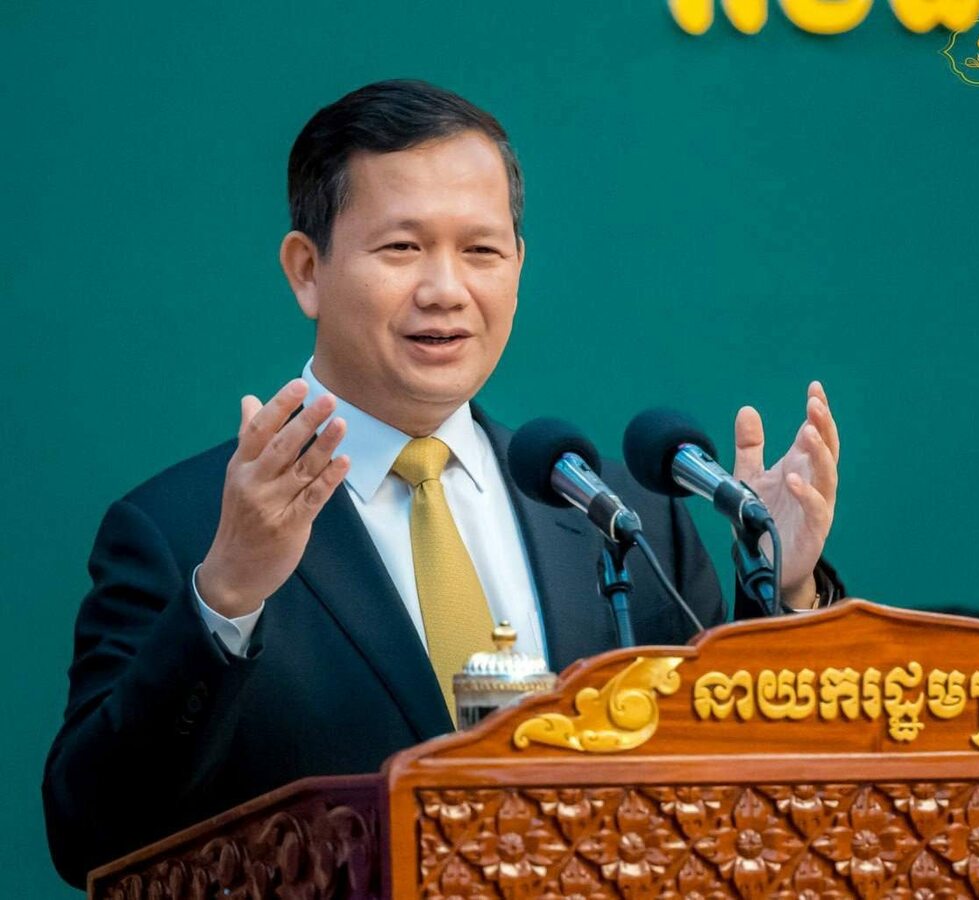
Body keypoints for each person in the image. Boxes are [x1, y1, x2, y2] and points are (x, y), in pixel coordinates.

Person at [42, 80, 843, 888]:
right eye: (402, 248)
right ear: (307, 270)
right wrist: (227, 595)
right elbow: (90, 837)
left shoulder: (623, 515)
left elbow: (745, 795)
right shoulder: (182, 531)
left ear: (519, 267)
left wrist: (783, 589)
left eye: (481, 251)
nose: (445, 290)